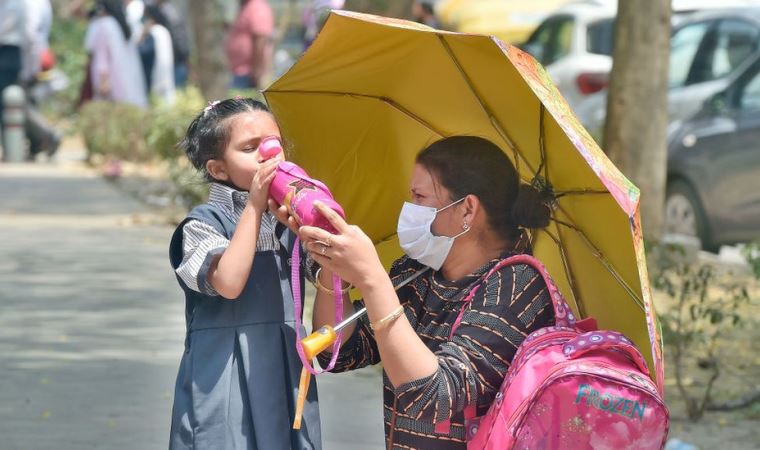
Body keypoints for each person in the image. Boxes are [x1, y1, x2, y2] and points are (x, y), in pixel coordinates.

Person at [278, 136, 556, 449]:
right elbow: (341, 352)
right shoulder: (418, 271)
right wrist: (331, 263)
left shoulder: (516, 285)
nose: (410, 209)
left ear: (467, 210)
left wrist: (373, 279)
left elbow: (434, 397)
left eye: (419, 197)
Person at [168, 97, 322, 450]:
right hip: (222, 370)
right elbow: (229, 282)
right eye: (250, 148)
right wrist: (254, 205)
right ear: (218, 170)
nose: (268, 155)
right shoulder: (202, 225)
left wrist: (321, 232)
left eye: (274, 144)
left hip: (283, 367)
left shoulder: (288, 222)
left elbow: (327, 283)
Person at [84, 0, 147, 107]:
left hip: (109, 80)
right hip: (124, 81)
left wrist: (103, 81)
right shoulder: (119, 25)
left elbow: (102, 57)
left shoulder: (103, 25)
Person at [225, 0, 274, 89]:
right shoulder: (245, 6)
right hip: (238, 71)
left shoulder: (258, 7)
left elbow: (261, 40)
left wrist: (256, 70)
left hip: (249, 73)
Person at [137, 5, 175, 103]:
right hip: (166, 76)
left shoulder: (153, 32)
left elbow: (143, 52)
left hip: (155, 77)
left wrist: (142, 37)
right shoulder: (163, 30)